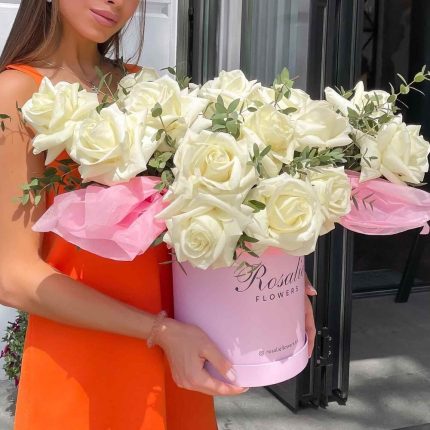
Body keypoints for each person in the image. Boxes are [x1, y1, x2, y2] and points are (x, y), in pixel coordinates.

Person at [0, 1, 316, 429]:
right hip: (85, 358)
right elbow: (13, 276)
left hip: (176, 348)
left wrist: (277, 282)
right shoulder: (16, 93)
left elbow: (199, 215)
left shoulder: (141, 86)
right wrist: (157, 331)